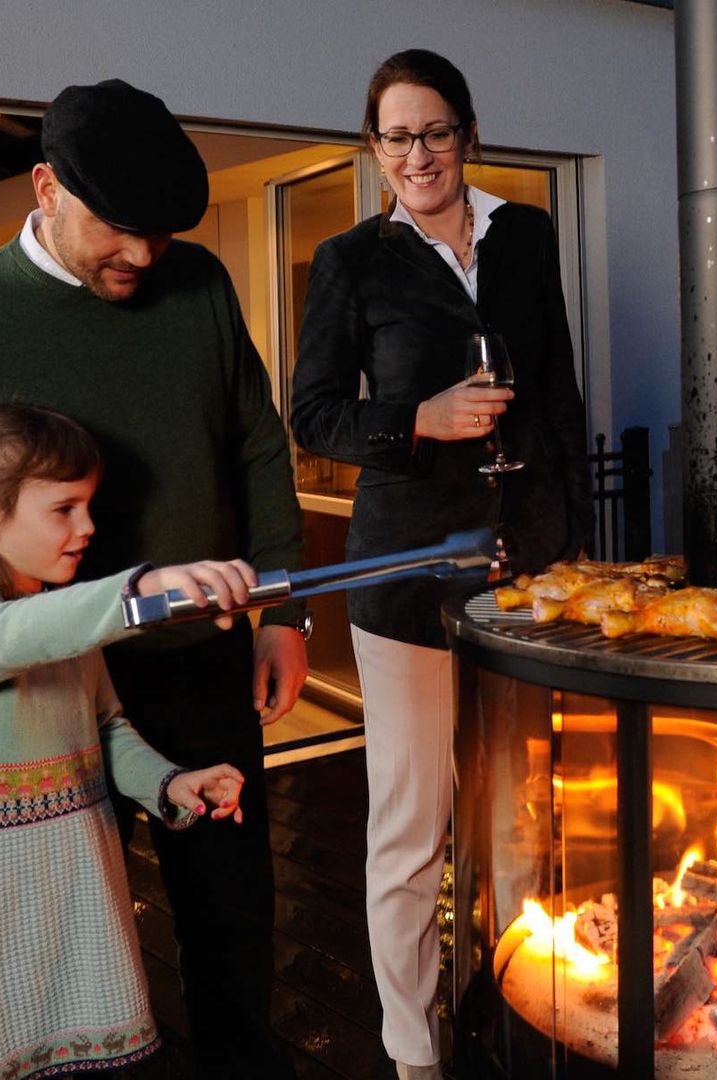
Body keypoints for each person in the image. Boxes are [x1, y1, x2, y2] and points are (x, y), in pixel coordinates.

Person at [0, 79, 304, 1077]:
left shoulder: (199, 286)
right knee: (67, 959)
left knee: (234, 936)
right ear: (47, 188)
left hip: (199, 666)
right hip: (45, 699)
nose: (142, 256)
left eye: (159, 234)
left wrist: (280, 606)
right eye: (120, 229)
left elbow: (256, 442)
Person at [289, 49, 593, 1080]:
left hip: (525, 568)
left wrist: (576, 551)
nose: (416, 154)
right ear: (374, 150)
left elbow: (555, 393)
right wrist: (415, 419)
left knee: (519, 809)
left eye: (434, 131)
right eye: (395, 136)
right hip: (408, 571)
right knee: (413, 821)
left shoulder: (528, 234)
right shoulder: (351, 261)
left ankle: (511, 1000)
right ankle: (414, 1050)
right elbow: (313, 412)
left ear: (468, 133)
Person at [0, 402, 252, 1078]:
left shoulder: (63, 619)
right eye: (63, 509)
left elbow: (105, 730)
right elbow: (13, 636)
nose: (88, 527)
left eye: (89, 506)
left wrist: (168, 783)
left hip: (81, 892)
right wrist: (144, 590)